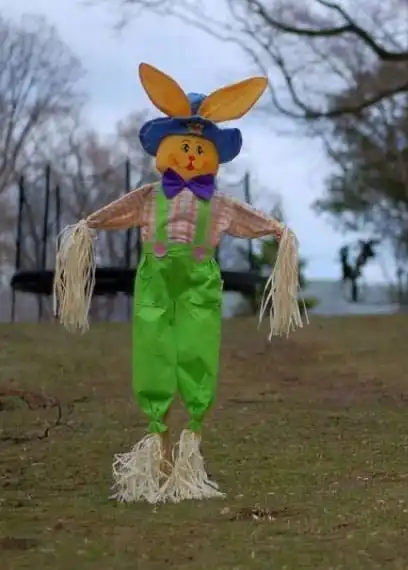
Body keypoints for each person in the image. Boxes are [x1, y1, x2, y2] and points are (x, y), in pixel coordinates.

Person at [53, 63, 307, 504]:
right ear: (166, 151)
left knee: (197, 350)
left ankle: (189, 450)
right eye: (184, 147)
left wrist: (278, 232)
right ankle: (156, 444)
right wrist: (88, 226)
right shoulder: (149, 198)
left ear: (213, 156)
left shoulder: (221, 206)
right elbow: (113, 213)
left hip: (199, 284)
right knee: (153, 348)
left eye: (198, 148)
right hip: (155, 281)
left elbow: (252, 220)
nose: (190, 155)